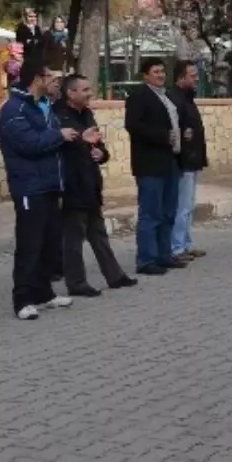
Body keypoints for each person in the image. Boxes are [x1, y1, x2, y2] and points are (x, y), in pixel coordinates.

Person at [0, 59, 87, 320]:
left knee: (49, 241)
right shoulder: (14, 109)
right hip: (29, 185)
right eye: (50, 76)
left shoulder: (43, 106)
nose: (54, 81)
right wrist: (59, 135)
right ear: (37, 79)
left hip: (49, 183)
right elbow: (29, 143)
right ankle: (22, 298)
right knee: (30, 243)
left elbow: (53, 139)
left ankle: (43, 292)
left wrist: (77, 137)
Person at [55, 74, 137, 296]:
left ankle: (114, 275)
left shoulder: (87, 114)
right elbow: (62, 145)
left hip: (90, 183)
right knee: (73, 238)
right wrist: (83, 138)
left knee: (98, 234)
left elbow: (97, 145)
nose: (90, 93)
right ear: (71, 93)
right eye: (85, 90)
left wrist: (101, 153)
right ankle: (76, 282)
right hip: (71, 184)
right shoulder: (58, 116)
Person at [124, 57, 183, 275]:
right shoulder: (139, 96)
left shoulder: (165, 96)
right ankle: (146, 260)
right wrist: (163, 136)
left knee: (169, 212)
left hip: (170, 162)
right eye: (155, 72)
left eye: (162, 71)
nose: (160, 75)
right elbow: (133, 125)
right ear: (146, 75)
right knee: (150, 214)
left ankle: (164, 255)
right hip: (150, 164)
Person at [168, 59, 208, 262]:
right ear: (181, 77)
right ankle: (176, 247)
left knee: (189, 206)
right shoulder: (174, 99)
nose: (197, 78)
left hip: (193, 159)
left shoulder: (188, 98)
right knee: (181, 207)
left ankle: (186, 243)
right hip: (183, 161)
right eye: (192, 76)